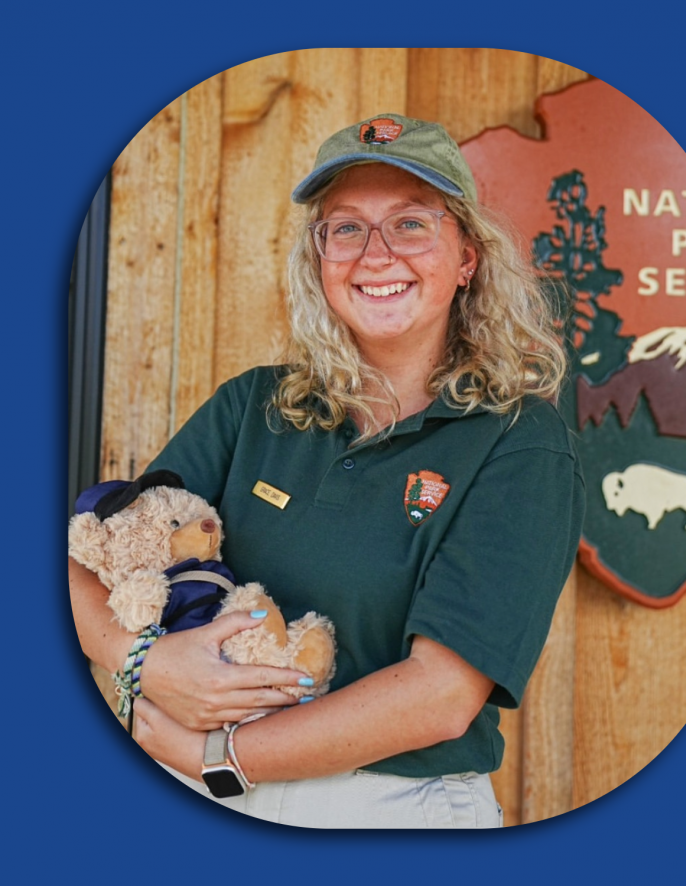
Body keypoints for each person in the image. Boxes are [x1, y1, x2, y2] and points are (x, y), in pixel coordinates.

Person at [69, 112, 585, 828]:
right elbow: (89, 561)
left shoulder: (519, 441)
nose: (376, 253)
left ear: (467, 256)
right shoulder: (254, 405)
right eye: (345, 228)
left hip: (389, 807)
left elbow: (440, 694)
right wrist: (140, 664)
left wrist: (222, 753)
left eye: (411, 224)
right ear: (319, 257)